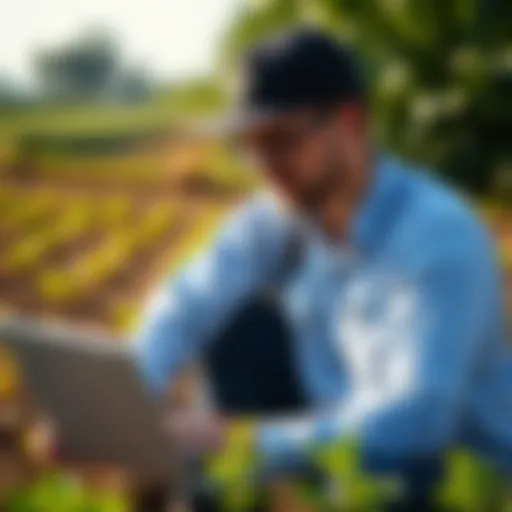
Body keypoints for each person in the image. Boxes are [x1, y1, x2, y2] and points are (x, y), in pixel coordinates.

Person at [133, 28, 512, 509]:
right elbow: (186, 303)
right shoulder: (285, 214)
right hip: (345, 443)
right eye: (252, 146)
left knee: (394, 459)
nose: (266, 166)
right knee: (238, 325)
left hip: (449, 473)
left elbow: (418, 419)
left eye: (282, 141)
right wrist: (125, 410)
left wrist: (243, 442)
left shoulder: (437, 235)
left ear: (350, 123)